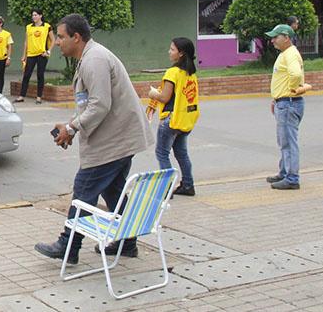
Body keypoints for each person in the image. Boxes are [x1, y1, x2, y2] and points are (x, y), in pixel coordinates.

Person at [35, 14, 151, 263]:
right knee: (112, 189)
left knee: (85, 187)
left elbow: (100, 105)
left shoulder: (94, 59)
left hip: (115, 139)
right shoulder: (88, 57)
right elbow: (89, 103)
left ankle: (69, 245)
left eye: (62, 37)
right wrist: (69, 126)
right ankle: (127, 241)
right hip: (118, 137)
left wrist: (73, 127)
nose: (57, 42)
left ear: (76, 37)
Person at [149, 38, 200, 197]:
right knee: (182, 153)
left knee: (162, 153)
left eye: (172, 49)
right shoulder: (190, 73)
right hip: (185, 120)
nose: (169, 52)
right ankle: (188, 185)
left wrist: (153, 94)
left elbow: (164, 97)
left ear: (181, 53)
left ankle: (166, 188)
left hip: (171, 120)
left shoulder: (172, 72)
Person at [265, 24, 312, 190]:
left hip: (289, 103)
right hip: (284, 102)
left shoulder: (290, 54)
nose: (272, 40)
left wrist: (290, 91)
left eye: (275, 37)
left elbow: (296, 75)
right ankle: (284, 172)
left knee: (288, 142)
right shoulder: (286, 53)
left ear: (286, 37)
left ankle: (292, 178)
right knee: (283, 140)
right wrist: (275, 99)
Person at [15, 9, 54, 104]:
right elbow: (26, 42)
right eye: (33, 15)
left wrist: (48, 52)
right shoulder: (29, 27)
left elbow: (53, 40)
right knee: (26, 75)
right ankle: (21, 96)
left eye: (36, 15)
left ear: (40, 16)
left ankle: (39, 97)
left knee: (40, 75)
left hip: (42, 54)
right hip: (31, 54)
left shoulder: (47, 26)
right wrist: (24, 55)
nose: (34, 17)